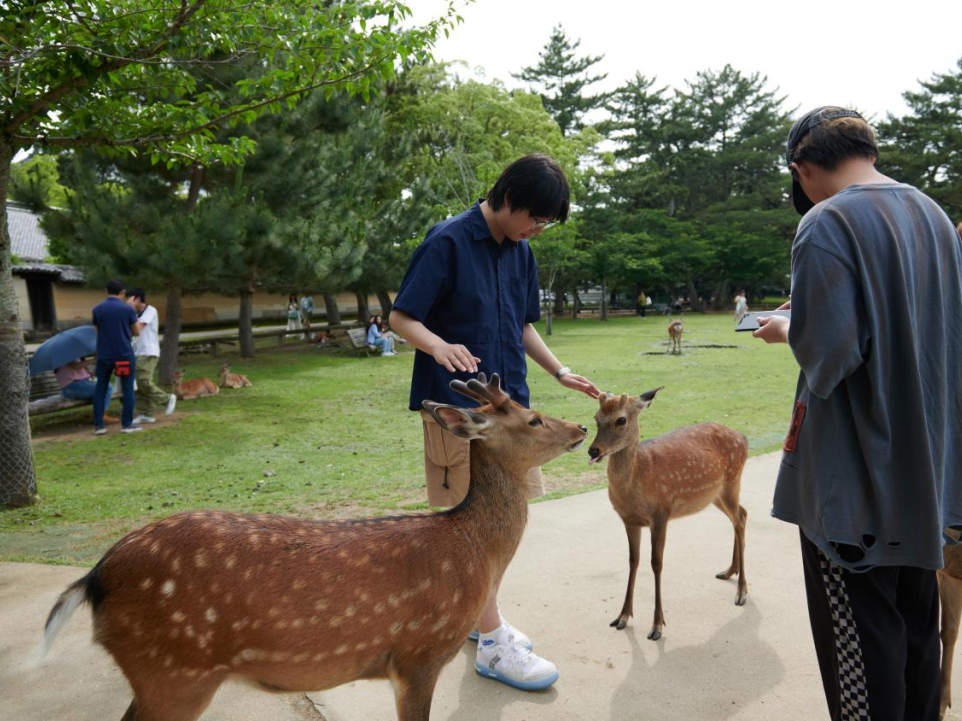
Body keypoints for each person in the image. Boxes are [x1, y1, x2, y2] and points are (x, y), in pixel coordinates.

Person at [753, 106, 962, 720]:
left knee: (862, 656)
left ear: (803, 168)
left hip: (853, 489)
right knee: (916, 638)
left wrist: (788, 326)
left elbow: (830, 357)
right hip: (925, 471)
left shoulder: (826, 222)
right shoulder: (931, 214)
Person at [390, 154, 600, 692]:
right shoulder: (448, 241)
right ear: (507, 198)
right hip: (460, 416)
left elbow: (524, 325)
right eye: (536, 217)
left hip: (514, 418)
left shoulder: (521, 251)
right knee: (472, 533)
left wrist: (560, 371)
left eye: (546, 223)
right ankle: (492, 642)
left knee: (504, 524)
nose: (538, 229)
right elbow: (400, 317)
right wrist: (437, 345)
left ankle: (478, 617)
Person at [91, 279, 141, 434]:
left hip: (104, 354)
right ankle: (126, 424)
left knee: (101, 388)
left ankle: (99, 426)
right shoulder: (127, 309)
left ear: (106, 291)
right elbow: (137, 331)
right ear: (123, 292)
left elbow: (97, 332)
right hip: (124, 354)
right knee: (127, 388)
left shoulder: (97, 309)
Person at [125, 288, 176, 424]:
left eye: (128, 299)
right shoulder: (134, 314)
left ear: (136, 299)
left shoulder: (150, 310)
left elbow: (137, 329)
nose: (126, 302)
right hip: (137, 352)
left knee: (143, 381)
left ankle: (166, 399)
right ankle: (146, 413)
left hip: (148, 351)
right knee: (139, 384)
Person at [54, 357, 118, 423]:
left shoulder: (73, 355)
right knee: (107, 387)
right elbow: (75, 366)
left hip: (76, 386)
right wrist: (95, 359)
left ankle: (98, 416)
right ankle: (101, 416)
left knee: (100, 390)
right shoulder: (66, 355)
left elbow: (76, 371)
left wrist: (90, 373)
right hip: (73, 387)